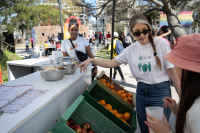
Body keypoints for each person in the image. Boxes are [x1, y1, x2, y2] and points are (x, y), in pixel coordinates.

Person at [76, 14, 181, 133]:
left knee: (159, 130)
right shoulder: (131, 50)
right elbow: (112, 63)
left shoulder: (161, 44)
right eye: (137, 33)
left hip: (160, 93)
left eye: (145, 31)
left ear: (149, 29)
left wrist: (183, 99)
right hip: (141, 93)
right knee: (145, 130)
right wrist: (91, 60)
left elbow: (172, 73)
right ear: (131, 33)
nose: (141, 35)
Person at [145, 33, 200, 133]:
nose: (173, 67)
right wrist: (178, 112)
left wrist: (167, 132)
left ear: (187, 70)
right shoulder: (194, 103)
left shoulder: (196, 113)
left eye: (176, 63)